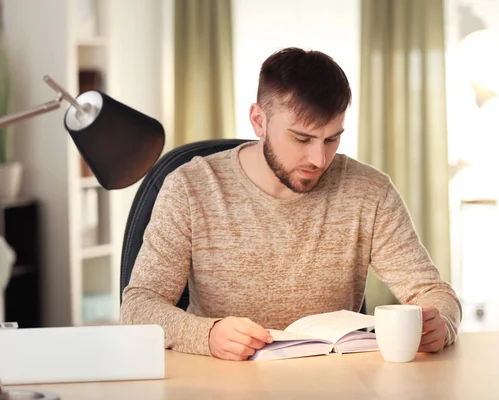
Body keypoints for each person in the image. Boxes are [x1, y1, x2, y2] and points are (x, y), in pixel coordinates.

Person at [121, 47, 462, 361]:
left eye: (332, 138)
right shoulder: (191, 188)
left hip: (332, 381)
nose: (319, 158)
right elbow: (138, 307)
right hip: (226, 382)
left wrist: (440, 322)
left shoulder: (369, 191)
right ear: (259, 121)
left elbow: (433, 293)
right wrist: (207, 335)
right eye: (302, 138)